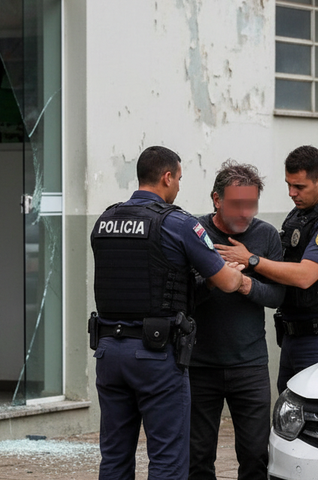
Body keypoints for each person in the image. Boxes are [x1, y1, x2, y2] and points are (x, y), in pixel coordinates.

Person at [90, 146, 244, 480]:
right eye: (179, 179)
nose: (178, 188)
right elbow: (227, 282)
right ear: (167, 177)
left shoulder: (105, 220)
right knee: (167, 459)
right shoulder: (177, 223)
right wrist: (235, 269)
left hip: (108, 352)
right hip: (155, 356)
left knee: (114, 457)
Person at [216, 146, 318, 392]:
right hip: (294, 336)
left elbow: (305, 276)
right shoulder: (300, 215)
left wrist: (252, 259)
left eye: (299, 187)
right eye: (288, 184)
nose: (291, 193)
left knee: (316, 411)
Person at [189, 161, 285, 480]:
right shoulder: (195, 232)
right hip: (200, 364)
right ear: (217, 199)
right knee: (197, 456)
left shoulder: (266, 235)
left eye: (252, 204)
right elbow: (183, 297)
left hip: (250, 365)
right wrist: (215, 279)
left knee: (256, 455)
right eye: (236, 204)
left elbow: (277, 297)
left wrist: (245, 281)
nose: (245, 213)